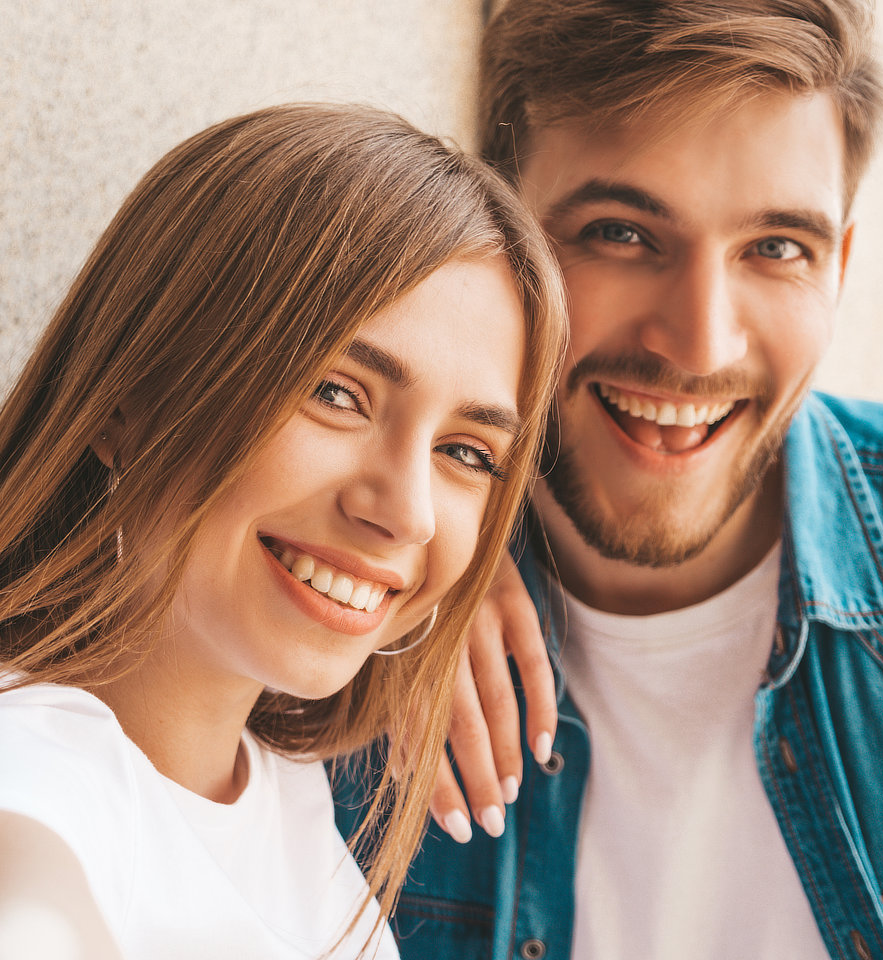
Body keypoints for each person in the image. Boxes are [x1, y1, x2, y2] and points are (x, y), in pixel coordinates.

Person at [332, 2, 883, 959]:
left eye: (777, 248)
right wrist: (408, 579)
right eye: (621, 233)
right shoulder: (343, 601)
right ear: (490, 231)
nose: (700, 342)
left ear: (840, 266)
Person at [0, 102, 567, 959]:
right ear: (125, 401)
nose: (405, 511)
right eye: (336, 393)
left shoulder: (293, 808)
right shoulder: (39, 802)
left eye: (466, 451)